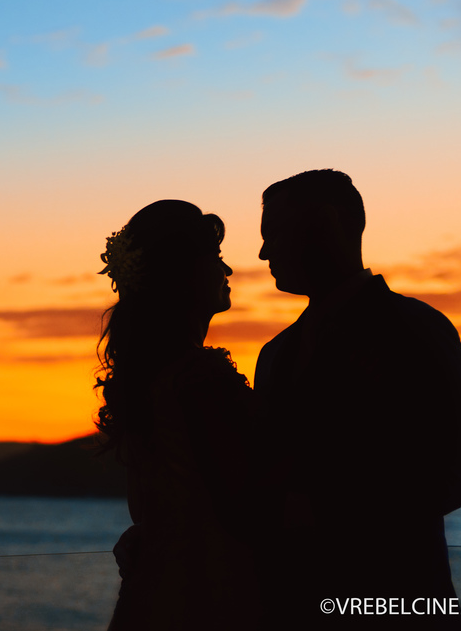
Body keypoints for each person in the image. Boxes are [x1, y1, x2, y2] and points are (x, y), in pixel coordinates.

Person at [254, 169, 461, 629]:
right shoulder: (274, 354)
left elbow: (447, 479)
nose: (263, 252)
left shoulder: (419, 330)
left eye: (274, 233)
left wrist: (315, 511)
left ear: (328, 221)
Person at [97, 200, 261, 629]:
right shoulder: (198, 380)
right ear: (183, 274)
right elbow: (245, 504)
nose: (227, 273)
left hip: (154, 594)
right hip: (208, 599)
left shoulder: (148, 377)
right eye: (217, 259)